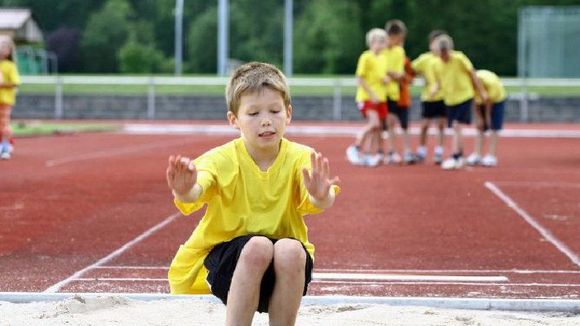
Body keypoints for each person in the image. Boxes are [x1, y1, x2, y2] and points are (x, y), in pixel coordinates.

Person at [165, 62, 340, 326]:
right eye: (254, 113)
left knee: (291, 249)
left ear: (288, 114)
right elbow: (195, 192)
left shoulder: (302, 157)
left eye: (274, 110)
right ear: (234, 120)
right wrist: (185, 188)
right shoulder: (221, 158)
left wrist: (321, 195)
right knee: (257, 245)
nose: (266, 120)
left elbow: (319, 200)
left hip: (283, 272)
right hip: (226, 266)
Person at [431, 34, 488, 170]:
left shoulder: (459, 58)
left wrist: (481, 91)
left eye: (446, 53)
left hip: (464, 96)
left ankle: (455, 155)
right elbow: (439, 80)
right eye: (441, 53)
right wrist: (434, 89)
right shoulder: (436, 64)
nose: (444, 56)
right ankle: (460, 156)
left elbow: (472, 73)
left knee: (457, 126)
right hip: (450, 99)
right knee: (455, 128)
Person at [346, 28, 388, 167]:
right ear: (372, 42)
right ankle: (355, 147)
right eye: (380, 41)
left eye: (384, 41)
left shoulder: (382, 58)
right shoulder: (366, 56)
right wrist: (372, 94)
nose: (383, 44)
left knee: (378, 128)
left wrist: (385, 79)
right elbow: (360, 78)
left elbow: (379, 76)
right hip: (367, 97)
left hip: (380, 98)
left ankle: (369, 154)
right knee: (374, 124)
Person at [411, 30, 447, 164]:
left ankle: (439, 151)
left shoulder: (446, 58)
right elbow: (410, 69)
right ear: (430, 44)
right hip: (429, 97)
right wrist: (419, 77)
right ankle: (422, 150)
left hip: (444, 96)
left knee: (442, 125)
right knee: (425, 125)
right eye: (435, 43)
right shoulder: (425, 59)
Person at [383, 19, 414, 165]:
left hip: (401, 93)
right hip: (387, 93)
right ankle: (391, 151)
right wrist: (392, 74)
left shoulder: (400, 52)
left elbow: (404, 75)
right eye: (400, 38)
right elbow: (381, 71)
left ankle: (407, 151)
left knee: (405, 124)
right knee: (389, 123)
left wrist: (394, 75)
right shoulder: (381, 50)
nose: (401, 41)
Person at [466, 69, 506, 167]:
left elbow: (489, 101)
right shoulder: (469, 83)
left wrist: (488, 118)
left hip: (497, 100)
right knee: (480, 127)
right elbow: (475, 101)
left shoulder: (491, 83)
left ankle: (491, 156)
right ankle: (477, 154)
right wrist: (479, 118)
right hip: (484, 100)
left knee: (493, 127)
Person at [0, 36, 20, 160]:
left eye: (4, 48)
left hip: (5, 100)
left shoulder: (10, 66)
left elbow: (15, 82)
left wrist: (2, 85)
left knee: (4, 124)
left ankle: (6, 147)